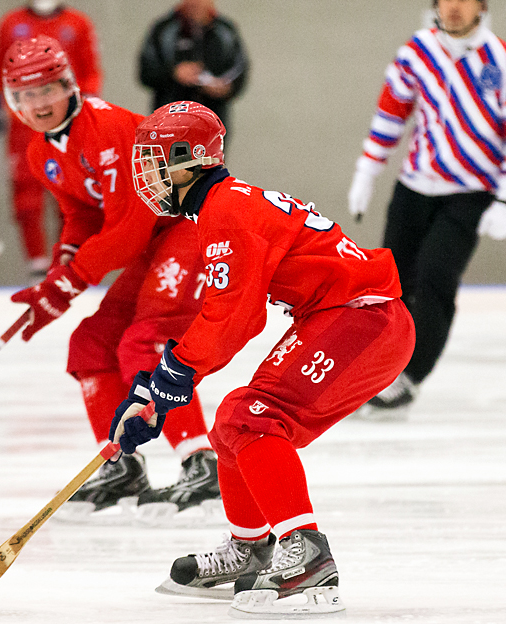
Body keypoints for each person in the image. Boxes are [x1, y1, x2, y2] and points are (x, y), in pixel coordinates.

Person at [107, 101, 416, 617]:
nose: (147, 175)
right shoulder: (223, 205)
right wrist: (159, 387)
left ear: (192, 161)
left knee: (252, 418)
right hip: (348, 317)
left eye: (156, 162)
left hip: (362, 318)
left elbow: (234, 316)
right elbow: (230, 316)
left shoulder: (225, 211)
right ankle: (251, 550)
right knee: (236, 417)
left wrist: (172, 374)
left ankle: (308, 557)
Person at [1, 37, 220, 518]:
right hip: (154, 242)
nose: (37, 105)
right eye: (25, 95)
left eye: (46, 90)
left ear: (68, 86)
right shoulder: (42, 153)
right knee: (91, 344)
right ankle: (122, 464)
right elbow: (80, 216)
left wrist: (68, 282)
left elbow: (129, 227)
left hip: (191, 229)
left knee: (145, 343)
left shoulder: (110, 128)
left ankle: (202, 461)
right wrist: (60, 271)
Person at [346, 0, 506, 419]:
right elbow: (390, 116)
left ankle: (411, 377)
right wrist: (367, 171)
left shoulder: (505, 61)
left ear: (482, 6)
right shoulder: (416, 53)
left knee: (436, 277)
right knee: (391, 281)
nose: (454, 6)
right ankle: (378, 368)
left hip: (471, 192)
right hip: (415, 187)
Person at [0, 1, 102, 275]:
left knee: (70, 189)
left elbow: (90, 70)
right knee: (26, 192)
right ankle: (36, 260)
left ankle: (67, 257)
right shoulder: (11, 23)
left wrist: (87, 103)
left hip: (66, 121)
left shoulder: (77, 23)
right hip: (24, 122)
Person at [138, 0, 248, 133]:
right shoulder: (164, 29)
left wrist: (225, 88)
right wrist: (173, 73)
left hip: (213, 122)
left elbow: (240, 71)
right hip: (168, 122)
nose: (196, 3)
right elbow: (146, 72)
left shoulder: (226, 31)